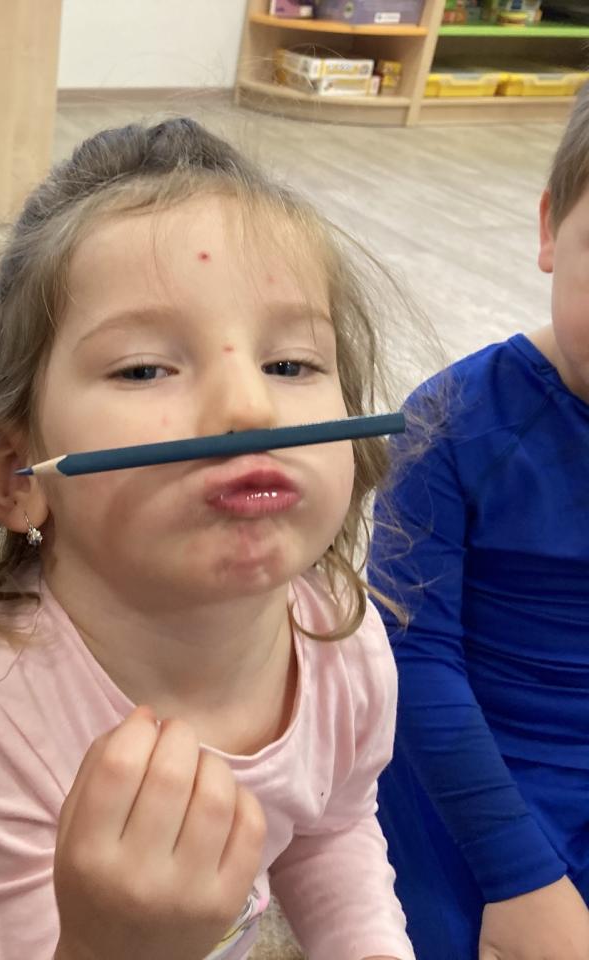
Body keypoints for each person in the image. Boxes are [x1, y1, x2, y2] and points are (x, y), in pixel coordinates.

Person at [0, 118, 414, 960]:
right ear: (19, 474)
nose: (250, 409)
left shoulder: (340, 633)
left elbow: (332, 829)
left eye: (291, 365)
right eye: (144, 369)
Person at [371, 84, 589, 960]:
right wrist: (519, 876)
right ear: (550, 228)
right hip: (465, 764)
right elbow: (414, 657)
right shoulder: (450, 420)